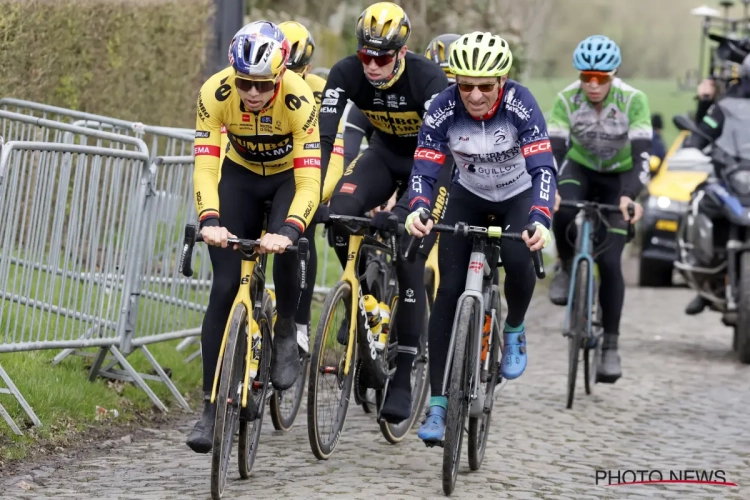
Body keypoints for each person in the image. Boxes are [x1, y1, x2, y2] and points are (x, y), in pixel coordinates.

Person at [406, 31, 556, 443]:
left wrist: (540, 218)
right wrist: (418, 206)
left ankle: (515, 327)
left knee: (520, 259)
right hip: (468, 195)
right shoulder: (443, 107)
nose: (474, 95)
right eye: (465, 85)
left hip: (516, 194)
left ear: (501, 81)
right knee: (448, 291)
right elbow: (424, 168)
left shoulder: (520, 103)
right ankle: (437, 406)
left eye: (484, 86)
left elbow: (543, 167)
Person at [187, 20, 321, 453]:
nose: (253, 94)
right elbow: (207, 166)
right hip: (240, 176)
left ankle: (284, 329)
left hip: (287, 180)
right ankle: (210, 407)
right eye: (245, 83)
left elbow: (309, 183)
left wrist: (288, 230)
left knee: (287, 251)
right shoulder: (215, 92)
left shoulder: (300, 99)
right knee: (223, 287)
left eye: (263, 85)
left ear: (280, 76)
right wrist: (209, 219)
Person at [318, 1, 451, 424]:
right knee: (339, 212)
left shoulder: (428, 79)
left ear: (402, 51)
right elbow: (323, 145)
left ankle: (405, 375)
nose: (372, 65)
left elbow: (438, 151)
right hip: (384, 155)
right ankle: (363, 295)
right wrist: (311, 199)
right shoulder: (345, 73)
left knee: (410, 244)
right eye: (365, 54)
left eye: (382, 57)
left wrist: (414, 204)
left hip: (429, 163)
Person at [547, 35, 650, 384]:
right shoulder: (566, 99)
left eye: (601, 78)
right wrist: (552, 190)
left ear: (614, 74)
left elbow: (643, 157)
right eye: (586, 76)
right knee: (560, 207)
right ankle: (564, 264)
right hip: (580, 168)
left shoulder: (634, 100)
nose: (593, 84)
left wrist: (630, 195)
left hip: (620, 177)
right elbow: (555, 151)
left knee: (609, 262)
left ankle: (611, 345)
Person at [682, 53, 750, 316]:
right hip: (730, 180)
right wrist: (705, 102)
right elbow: (701, 134)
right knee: (698, 202)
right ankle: (703, 282)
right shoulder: (725, 108)